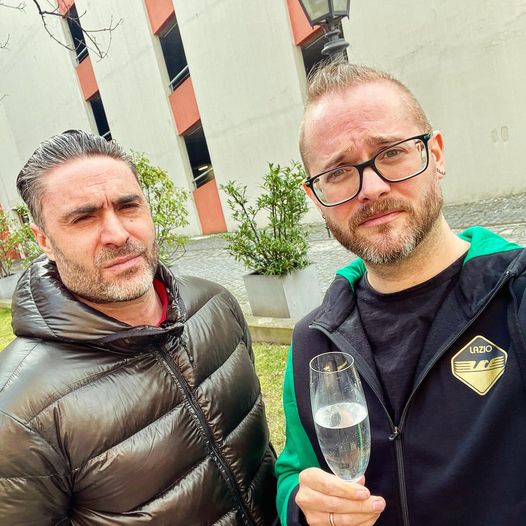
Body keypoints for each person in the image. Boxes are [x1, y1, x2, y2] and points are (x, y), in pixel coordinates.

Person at [275, 62, 526, 526]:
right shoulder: (313, 341)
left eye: (391, 152)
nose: (371, 188)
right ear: (315, 197)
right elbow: (294, 472)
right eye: (338, 172)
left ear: (436, 153)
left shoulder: (516, 293)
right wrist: (302, 506)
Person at [0, 130, 278, 525]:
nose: (117, 234)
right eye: (83, 218)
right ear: (44, 240)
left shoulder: (216, 305)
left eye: (128, 206)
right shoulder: (17, 411)